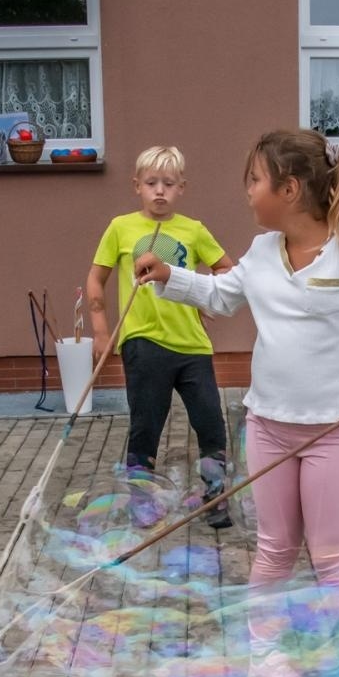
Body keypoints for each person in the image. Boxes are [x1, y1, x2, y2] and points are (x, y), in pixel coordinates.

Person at [137, 129, 339, 677]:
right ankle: (265, 657)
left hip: (332, 432)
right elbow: (223, 297)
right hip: (267, 424)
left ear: (289, 189)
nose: (247, 192)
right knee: (273, 551)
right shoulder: (262, 250)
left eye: (254, 180)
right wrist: (171, 278)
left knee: (330, 556)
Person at [86, 145, 236, 528]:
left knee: (210, 424)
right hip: (143, 342)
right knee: (146, 425)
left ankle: (215, 499)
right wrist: (102, 331)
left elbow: (226, 270)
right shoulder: (121, 227)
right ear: (136, 185)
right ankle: (141, 500)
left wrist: (206, 294)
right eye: (151, 183)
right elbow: (95, 280)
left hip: (192, 347)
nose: (159, 191)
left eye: (168, 184)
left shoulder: (194, 230)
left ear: (181, 187)